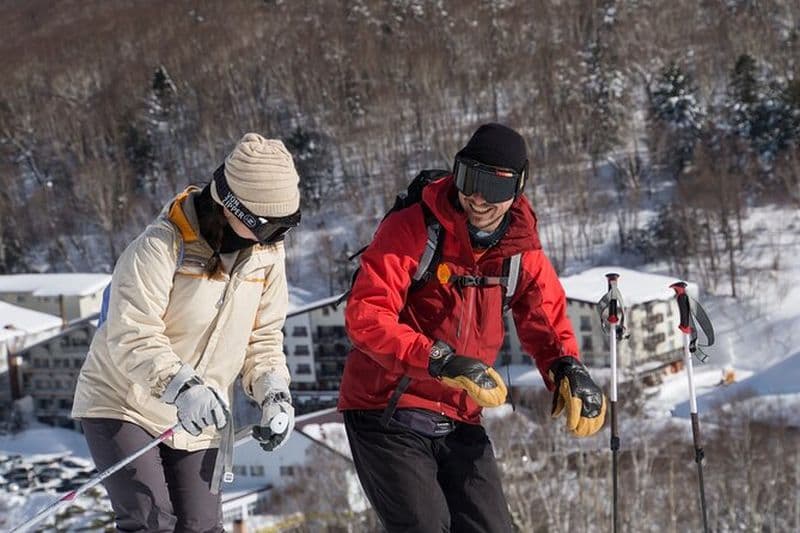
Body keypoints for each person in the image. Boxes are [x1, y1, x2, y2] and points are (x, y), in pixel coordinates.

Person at [338, 123, 607, 532]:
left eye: (494, 188)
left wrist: (567, 369)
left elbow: (545, 319)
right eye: (468, 179)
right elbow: (367, 316)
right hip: (386, 409)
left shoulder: (520, 251)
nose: (477, 198)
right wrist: (438, 360)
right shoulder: (414, 229)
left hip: (460, 415)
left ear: (517, 189)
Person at [72, 133, 301, 532]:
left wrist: (274, 394)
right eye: (272, 229)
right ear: (236, 210)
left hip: (200, 416)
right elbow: (131, 334)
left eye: (288, 226)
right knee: (152, 522)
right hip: (124, 401)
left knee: (200, 525)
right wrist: (183, 388)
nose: (279, 240)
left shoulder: (266, 256)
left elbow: (263, 338)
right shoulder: (161, 247)